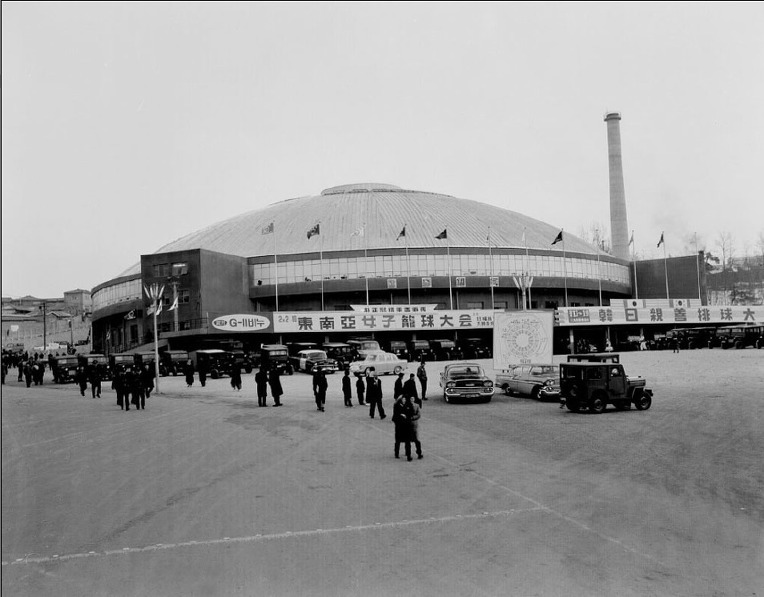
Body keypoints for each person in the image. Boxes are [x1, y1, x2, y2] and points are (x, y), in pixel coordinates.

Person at [402, 393, 423, 461]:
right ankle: (410, 454)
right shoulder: (406, 406)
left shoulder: (416, 405)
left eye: (413, 399)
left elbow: (419, 415)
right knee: (410, 440)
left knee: (415, 440)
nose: (412, 400)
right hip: (409, 424)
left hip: (412, 424)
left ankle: (417, 453)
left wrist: (411, 417)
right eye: (411, 399)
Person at [391, 393, 409, 459]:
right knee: (398, 439)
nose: (404, 400)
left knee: (407, 439)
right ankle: (396, 453)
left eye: (405, 399)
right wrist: (401, 415)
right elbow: (395, 415)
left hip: (405, 424)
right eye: (403, 399)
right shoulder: (396, 405)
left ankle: (407, 452)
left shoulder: (407, 405)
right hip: (399, 424)